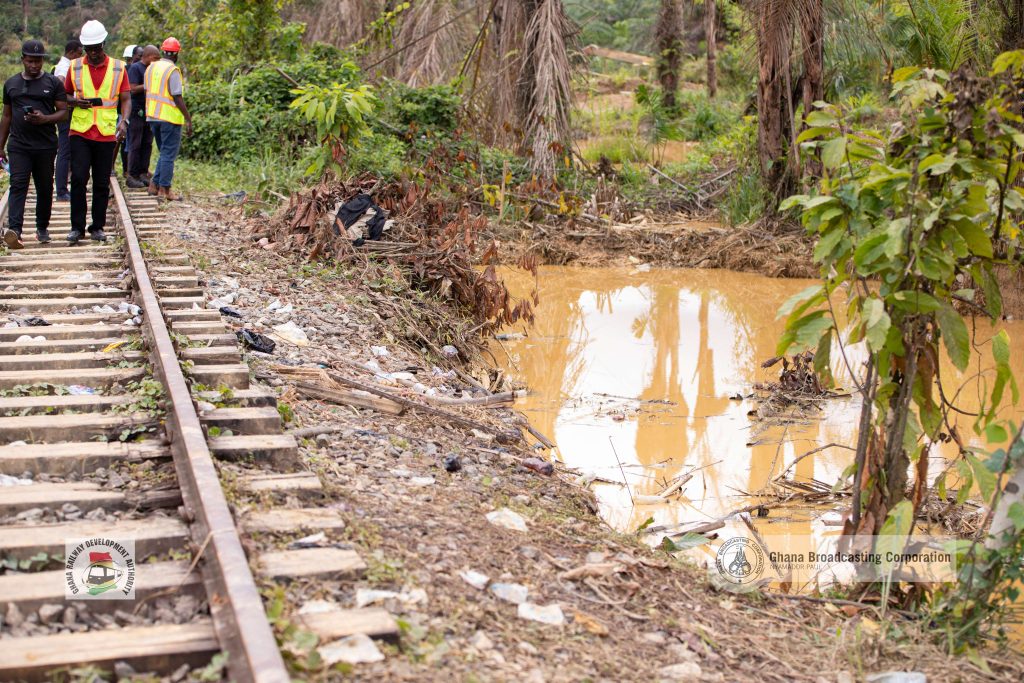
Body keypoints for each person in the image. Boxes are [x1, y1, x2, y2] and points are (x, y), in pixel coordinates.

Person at [64, 20, 130, 244]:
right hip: (80, 131)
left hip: (105, 131)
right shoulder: (74, 67)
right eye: (88, 49)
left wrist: (125, 121)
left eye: (96, 48)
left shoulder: (119, 67)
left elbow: (126, 98)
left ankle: (97, 227)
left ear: (104, 43)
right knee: (79, 179)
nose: (92, 53)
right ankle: (77, 228)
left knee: (101, 182)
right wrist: (75, 101)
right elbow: (63, 96)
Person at [0, 40, 69, 249]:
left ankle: (42, 228)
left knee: (44, 186)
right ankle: (15, 231)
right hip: (19, 145)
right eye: (30, 61)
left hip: (45, 145)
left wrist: (45, 119)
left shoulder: (53, 83)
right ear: (23, 60)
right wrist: (0, 146)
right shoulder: (11, 84)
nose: (34, 65)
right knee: (18, 184)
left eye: (38, 61)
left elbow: (64, 112)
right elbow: (6, 116)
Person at [146, 37, 191, 201]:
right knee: (168, 154)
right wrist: (188, 118)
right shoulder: (172, 70)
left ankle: (153, 185)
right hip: (169, 118)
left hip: (152, 116)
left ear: (163, 51)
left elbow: (147, 89)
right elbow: (177, 96)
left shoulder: (151, 67)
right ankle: (165, 190)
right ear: (176, 54)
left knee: (164, 152)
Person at [53, 39, 83, 202]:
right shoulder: (63, 67)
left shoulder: (66, 66)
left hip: (67, 113)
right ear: (71, 53)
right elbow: (61, 92)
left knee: (67, 150)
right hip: (65, 113)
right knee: (64, 151)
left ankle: (63, 189)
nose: (80, 57)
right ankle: (61, 191)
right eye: (79, 54)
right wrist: (76, 100)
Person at [126, 45, 158, 188]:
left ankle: (143, 173)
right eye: (155, 58)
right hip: (136, 110)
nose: (156, 61)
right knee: (135, 143)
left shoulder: (151, 68)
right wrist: (148, 85)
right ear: (148, 56)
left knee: (147, 143)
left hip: (148, 110)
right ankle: (132, 175)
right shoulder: (136, 68)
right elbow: (132, 88)